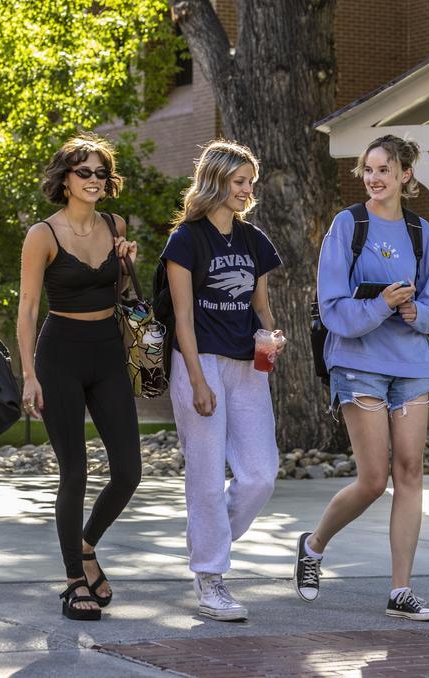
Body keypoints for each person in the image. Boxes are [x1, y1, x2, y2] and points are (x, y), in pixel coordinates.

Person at [294, 135, 429, 621]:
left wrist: (411, 311)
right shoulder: (348, 225)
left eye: (384, 169)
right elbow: (334, 307)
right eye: (367, 169)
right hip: (358, 363)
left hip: (411, 367)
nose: (374, 177)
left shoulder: (421, 231)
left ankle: (400, 591)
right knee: (372, 478)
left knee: (410, 472)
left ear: (406, 175)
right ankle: (314, 545)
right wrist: (380, 304)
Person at [17, 132, 140, 621]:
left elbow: (127, 295)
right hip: (60, 355)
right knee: (75, 473)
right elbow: (27, 310)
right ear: (65, 179)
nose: (93, 180)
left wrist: (128, 263)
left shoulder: (115, 225)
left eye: (100, 173)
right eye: (83, 172)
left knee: (129, 471)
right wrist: (28, 375)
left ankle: (87, 546)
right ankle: (74, 580)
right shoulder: (41, 235)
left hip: (109, 351)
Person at [162, 139, 284, 621]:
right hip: (201, 362)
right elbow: (182, 317)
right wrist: (196, 379)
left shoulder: (254, 240)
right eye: (239, 181)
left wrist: (271, 336)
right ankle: (210, 577)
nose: (247, 190)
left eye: (250, 182)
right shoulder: (186, 239)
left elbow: (260, 306)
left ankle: (205, 541)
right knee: (207, 480)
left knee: (260, 476)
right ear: (215, 181)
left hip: (248, 365)